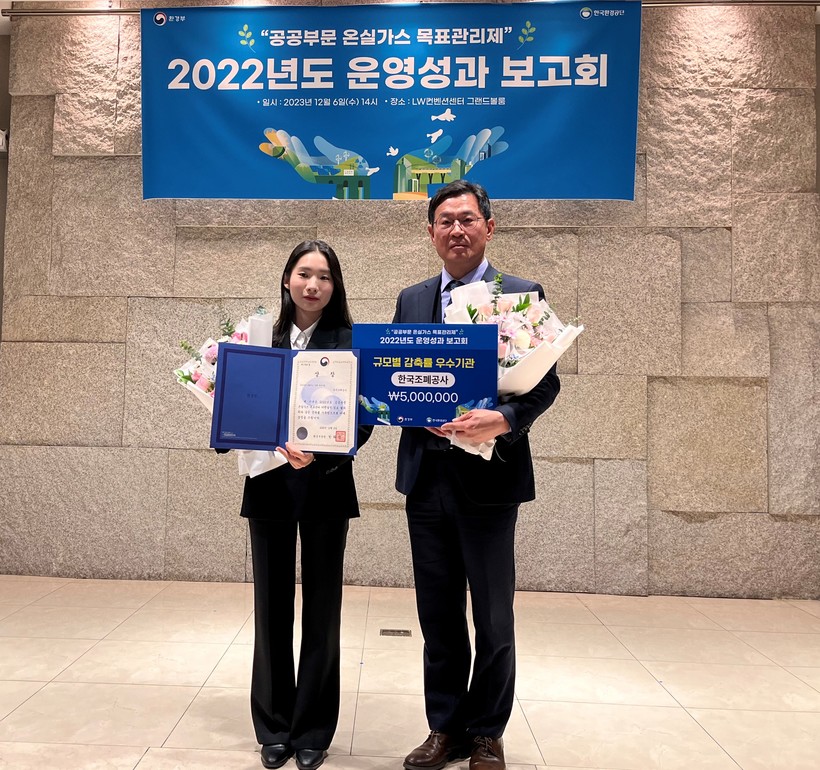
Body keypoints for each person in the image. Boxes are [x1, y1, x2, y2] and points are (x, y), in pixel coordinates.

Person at [393, 181, 561, 770]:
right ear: (430, 232)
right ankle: (445, 728)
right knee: (437, 614)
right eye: (445, 221)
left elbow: (546, 382)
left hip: (490, 481)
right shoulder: (412, 299)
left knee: (492, 614)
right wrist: (397, 405)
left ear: (489, 227)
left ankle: (487, 731)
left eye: (467, 219)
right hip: (426, 479)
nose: (456, 230)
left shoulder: (521, 295)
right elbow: (396, 376)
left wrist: (505, 418)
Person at [240, 240, 371, 770]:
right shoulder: (258, 339)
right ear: (286, 280)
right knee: (270, 608)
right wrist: (254, 435)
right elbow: (239, 410)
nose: (313, 285)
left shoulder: (351, 344)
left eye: (324, 276)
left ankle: (313, 727)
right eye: (303, 273)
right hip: (269, 488)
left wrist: (322, 449)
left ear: (335, 286)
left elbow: (364, 419)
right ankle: (274, 726)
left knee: (322, 611)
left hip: (326, 488)